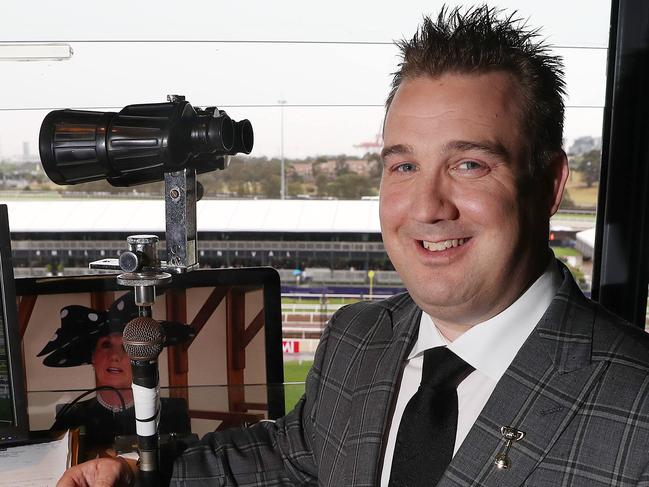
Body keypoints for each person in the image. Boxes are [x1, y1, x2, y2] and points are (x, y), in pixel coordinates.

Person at [58, 6, 649, 487]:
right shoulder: (356, 340)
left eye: (469, 164)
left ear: (548, 183)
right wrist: (143, 477)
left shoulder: (638, 407)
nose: (427, 207)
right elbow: (293, 455)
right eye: (405, 166)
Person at [40, 292, 193, 457]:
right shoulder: (72, 417)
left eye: (126, 347)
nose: (114, 356)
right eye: (106, 345)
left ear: (141, 355)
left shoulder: (171, 413)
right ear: (93, 356)